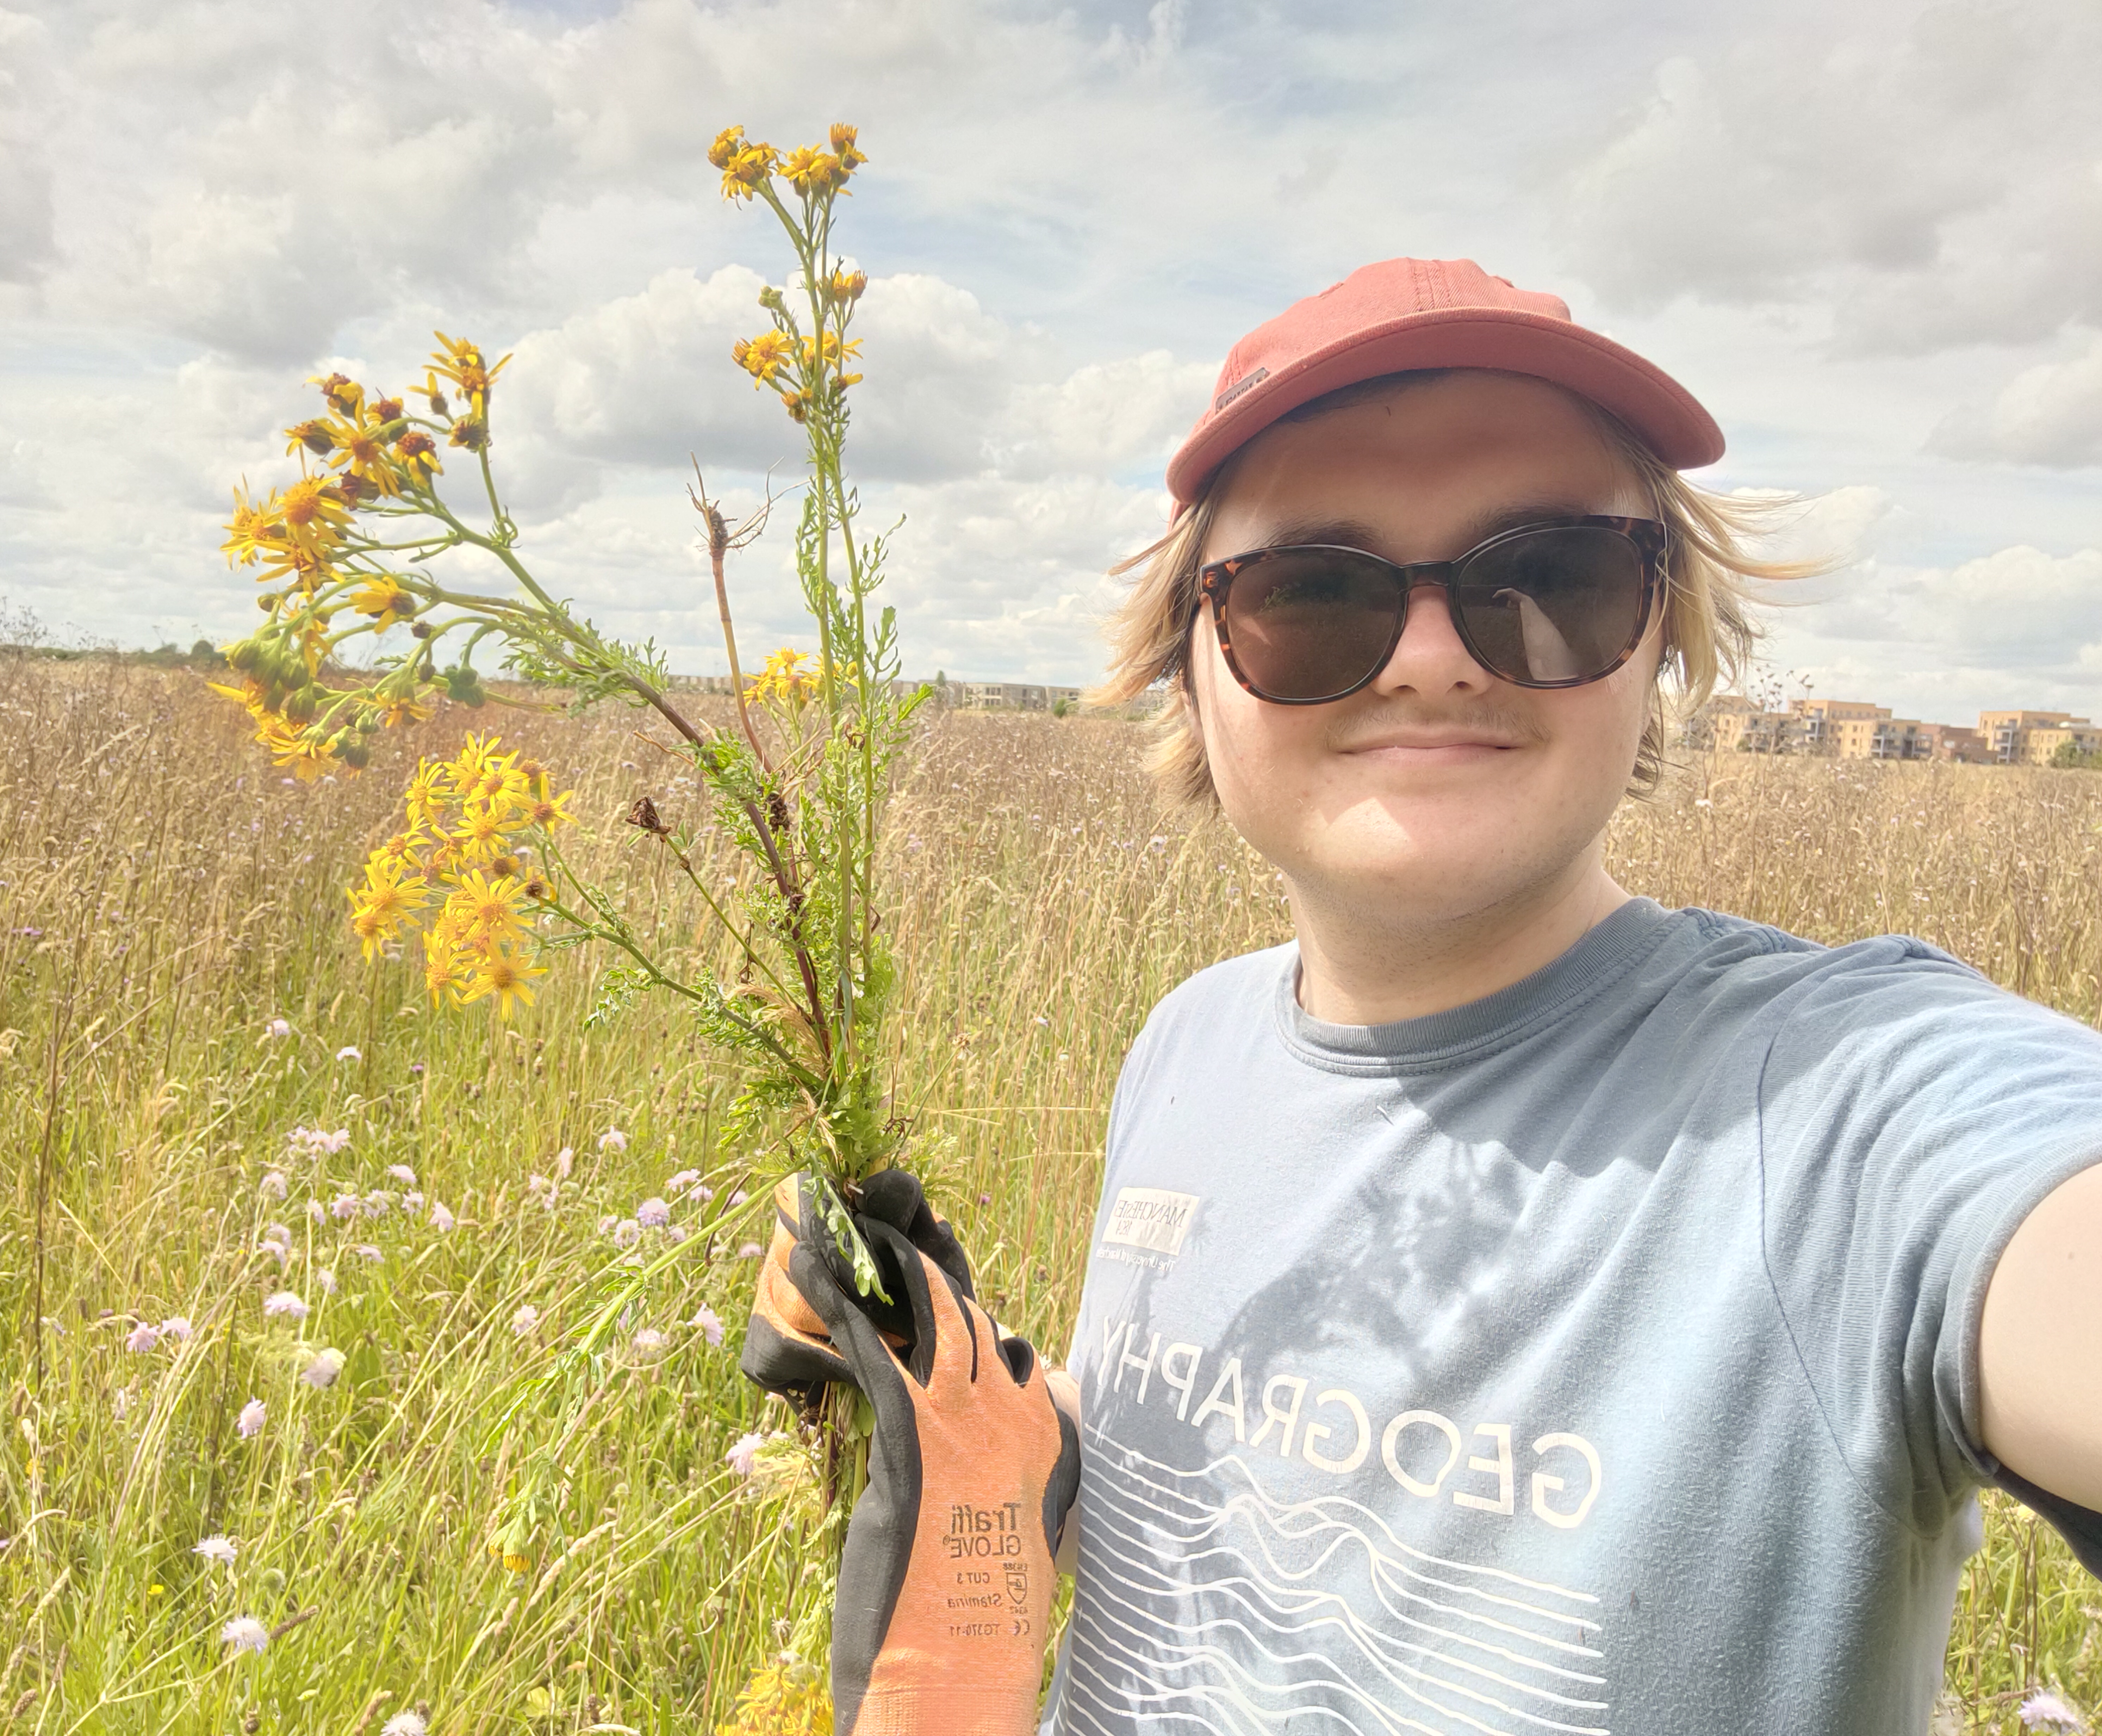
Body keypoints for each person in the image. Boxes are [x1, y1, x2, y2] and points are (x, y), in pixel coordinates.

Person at [742, 257, 2102, 1736]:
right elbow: (1238, 1465)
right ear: (1187, 667)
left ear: (1656, 638)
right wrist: (1002, 1421)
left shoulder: (1846, 1100)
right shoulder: (1186, 1041)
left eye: (1549, 578)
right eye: (1312, 595)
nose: (1436, 658)